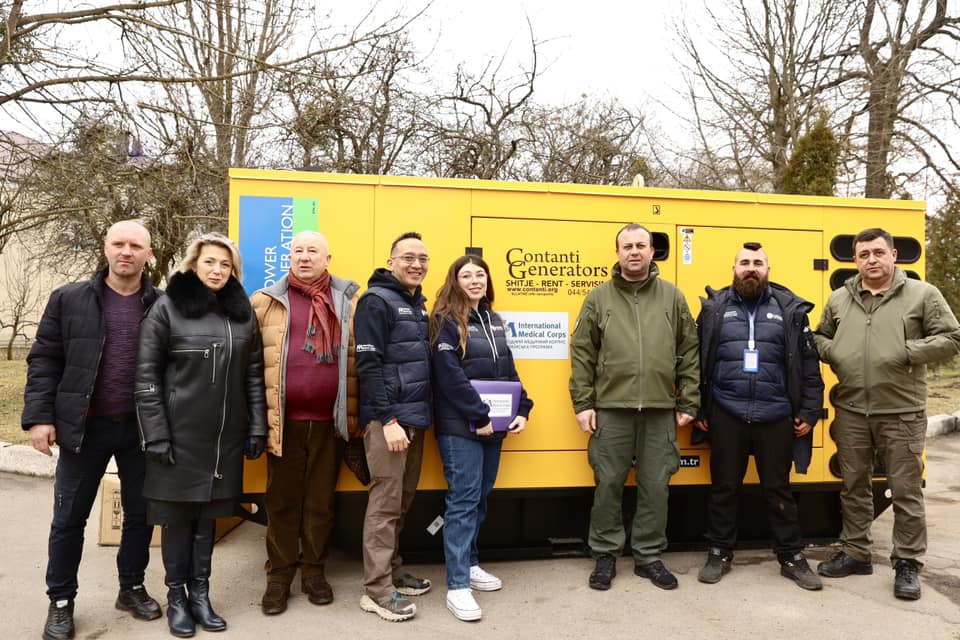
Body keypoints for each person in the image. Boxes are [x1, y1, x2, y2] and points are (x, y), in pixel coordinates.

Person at [22, 220, 163, 640]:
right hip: (84, 428)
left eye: (135, 245)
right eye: (118, 243)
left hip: (141, 429)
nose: (126, 252)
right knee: (68, 519)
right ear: (105, 248)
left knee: (140, 515)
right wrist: (40, 417)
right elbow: (44, 360)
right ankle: (61, 601)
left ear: (148, 254)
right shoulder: (69, 299)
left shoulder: (163, 304)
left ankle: (131, 587)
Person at [814, 227, 960, 601]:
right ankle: (856, 552)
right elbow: (819, 337)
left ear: (893, 256)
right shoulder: (839, 299)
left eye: (878, 253)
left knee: (906, 490)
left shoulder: (922, 294)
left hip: (902, 411)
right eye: (864, 255)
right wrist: (837, 353)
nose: (871, 260)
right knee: (854, 485)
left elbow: (952, 338)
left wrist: (907, 351)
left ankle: (907, 562)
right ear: (855, 260)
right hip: (850, 409)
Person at [135, 232, 267, 637]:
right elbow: (145, 377)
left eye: (226, 265)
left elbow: (254, 376)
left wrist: (257, 426)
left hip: (222, 441)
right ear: (193, 264)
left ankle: (201, 596)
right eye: (210, 262)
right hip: (176, 439)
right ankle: (177, 598)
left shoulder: (241, 312)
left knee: (207, 521)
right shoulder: (167, 309)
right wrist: (155, 435)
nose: (218, 270)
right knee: (178, 520)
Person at [569, 223, 699, 592]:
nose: (634, 252)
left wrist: (689, 399)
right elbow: (582, 354)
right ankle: (606, 554)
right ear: (617, 253)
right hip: (611, 408)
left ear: (652, 251)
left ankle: (649, 555)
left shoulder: (673, 297)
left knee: (656, 485)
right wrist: (583, 404)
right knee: (608, 482)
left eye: (641, 245)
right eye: (627, 246)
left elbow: (690, 351)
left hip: (660, 409)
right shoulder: (598, 298)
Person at [693, 242, 823, 590]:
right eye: (744, 263)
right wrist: (698, 408)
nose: (751, 268)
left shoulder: (790, 310)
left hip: (776, 414)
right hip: (726, 411)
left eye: (758, 263)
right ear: (733, 268)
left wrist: (810, 410)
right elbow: (697, 362)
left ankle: (791, 556)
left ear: (769, 269)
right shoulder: (714, 309)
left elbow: (809, 366)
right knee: (723, 488)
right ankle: (719, 551)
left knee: (778, 489)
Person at [250, 230, 360, 615]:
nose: (304, 257)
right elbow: (248, 365)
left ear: (328, 259)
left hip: (331, 423)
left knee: (320, 504)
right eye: (297, 250)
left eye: (313, 251)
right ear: (289, 257)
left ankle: (313, 571)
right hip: (284, 422)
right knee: (281, 503)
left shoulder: (349, 303)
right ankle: (279, 576)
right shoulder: (265, 302)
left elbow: (361, 361)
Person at [429, 255, 534, 622]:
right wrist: (480, 415)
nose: (475, 280)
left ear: (488, 281)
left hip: (494, 428)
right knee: (463, 500)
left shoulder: (494, 320)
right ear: (454, 281)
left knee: (480, 498)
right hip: (462, 429)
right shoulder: (445, 322)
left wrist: (523, 408)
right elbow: (449, 377)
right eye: (466, 275)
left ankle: (471, 564)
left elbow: (508, 369)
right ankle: (457, 586)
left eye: (480, 275)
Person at [355, 231, 433, 622]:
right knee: (385, 505)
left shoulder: (417, 305)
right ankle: (377, 590)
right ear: (391, 262)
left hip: (414, 418)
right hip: (390, 420)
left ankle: (392, 569)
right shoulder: (376, 301)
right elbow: (367, 364)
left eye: (422, 258)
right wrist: (386, 420)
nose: (416, 264)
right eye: (408, 257)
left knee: (402, 501)